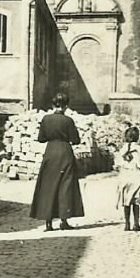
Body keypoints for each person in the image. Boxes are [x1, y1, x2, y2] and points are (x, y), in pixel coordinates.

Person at [30, 91, 84, 232]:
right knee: (65, 187)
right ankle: (64, 221)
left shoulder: (46, 119)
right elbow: (76, 140)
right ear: (66, 105)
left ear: (53, 104)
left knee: (48, 186)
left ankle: (48, 223)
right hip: (65, 152)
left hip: (50, 153)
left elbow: (41, 138)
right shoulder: (68, 120)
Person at [115, 126, 140, 232]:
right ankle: (136, 224)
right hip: (137, 178)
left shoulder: (121, 151)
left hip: (124, 178)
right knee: (135, 202)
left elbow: (116, 165)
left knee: (126, 202)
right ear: (137, 137)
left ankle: (127, 223)